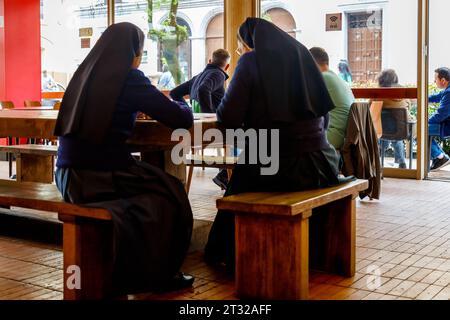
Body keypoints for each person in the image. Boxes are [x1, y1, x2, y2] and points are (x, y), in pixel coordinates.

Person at [54, 22, 195, 295]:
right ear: (133, 53)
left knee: (156, 189)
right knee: (171, 193)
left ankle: (134, 265)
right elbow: (180, 118)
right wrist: (182, 102)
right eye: (139, 53)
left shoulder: (83, 74)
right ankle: (158, 274)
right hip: (100, 177)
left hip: (67, 177)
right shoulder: (130, 78)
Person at [204, 18, 344, 271]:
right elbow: (325, 116)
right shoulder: (302, 58)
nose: (243, 50)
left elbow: (228, 116)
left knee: (241, 181)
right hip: (322, 163)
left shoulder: (251, 61)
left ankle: (237, 255)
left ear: (249, 42)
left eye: (242, 46)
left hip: (277, 166)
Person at [170, 49, 232, 190]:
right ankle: (225, 176)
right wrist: (209, 115)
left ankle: (225, 176)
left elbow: (175, 93)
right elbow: (203, 90)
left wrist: (187, 111)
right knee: (246, 136)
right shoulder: (218, 74)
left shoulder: (198, 76)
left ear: (210, 61)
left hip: (196, 127)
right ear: (227, 66)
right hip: (211, 129)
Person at [309, 47, 355, 150]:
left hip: (333, 136)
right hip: (344, 136)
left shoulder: (323, 78)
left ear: (310, 63)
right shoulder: (336, 78)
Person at [377, 69, 412, 169]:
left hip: (383, 130)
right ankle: (401, 162)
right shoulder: (402, 91)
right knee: (397, 135)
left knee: (384, 132)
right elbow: (408, 105)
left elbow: (371, 106)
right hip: (402, 130)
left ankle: (377, 158)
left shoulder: (379, 93)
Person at [429, 67, 450, 171]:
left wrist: (425, 122)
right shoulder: (447, 90)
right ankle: (440, 157)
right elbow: (435, 97)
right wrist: (419, 97)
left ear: (443, 80)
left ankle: (440, 157)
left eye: (435, 79)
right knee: (424, 131)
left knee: (420, 131)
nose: (434, 81)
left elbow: (441, 114)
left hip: (447, 126)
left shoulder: (449, 92)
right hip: (445, 123)